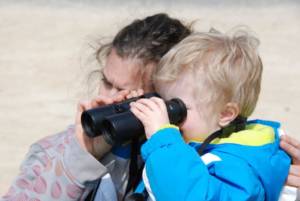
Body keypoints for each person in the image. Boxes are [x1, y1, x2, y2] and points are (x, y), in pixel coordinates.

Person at [1, 13, 299, 201]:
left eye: (133, 95)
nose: (115, 100)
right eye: (108, 83)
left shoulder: (215, 151)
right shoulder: (56, 150)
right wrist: (82, 155)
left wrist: (281, 182)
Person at [129, 29, 291, 200]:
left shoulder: (238, 164)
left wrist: (162, 140)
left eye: (178, 108)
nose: (168, 118)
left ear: (225, 114)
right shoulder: (192, 144)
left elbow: (192, 196)